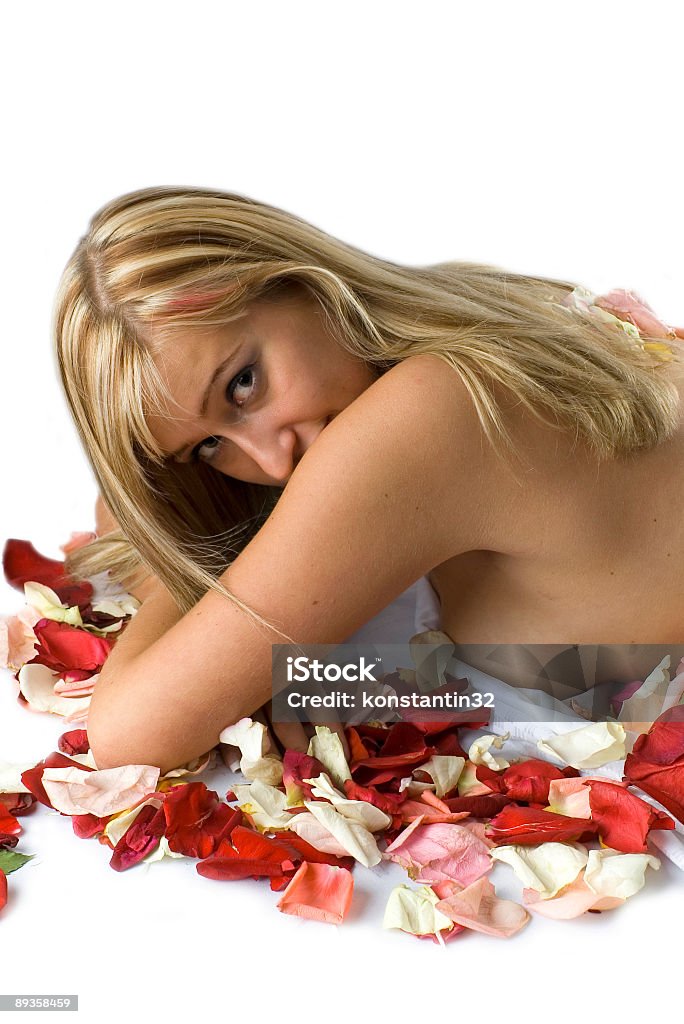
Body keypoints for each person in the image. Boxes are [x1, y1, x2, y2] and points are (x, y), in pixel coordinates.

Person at [54, 185, 684, 775]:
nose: (272, 462)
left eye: (243, 383)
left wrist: (191, 568)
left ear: (299, 283)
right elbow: (118, 505)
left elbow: (130, 737)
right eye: (211, 445)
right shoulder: (474, 309)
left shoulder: (420, 418)